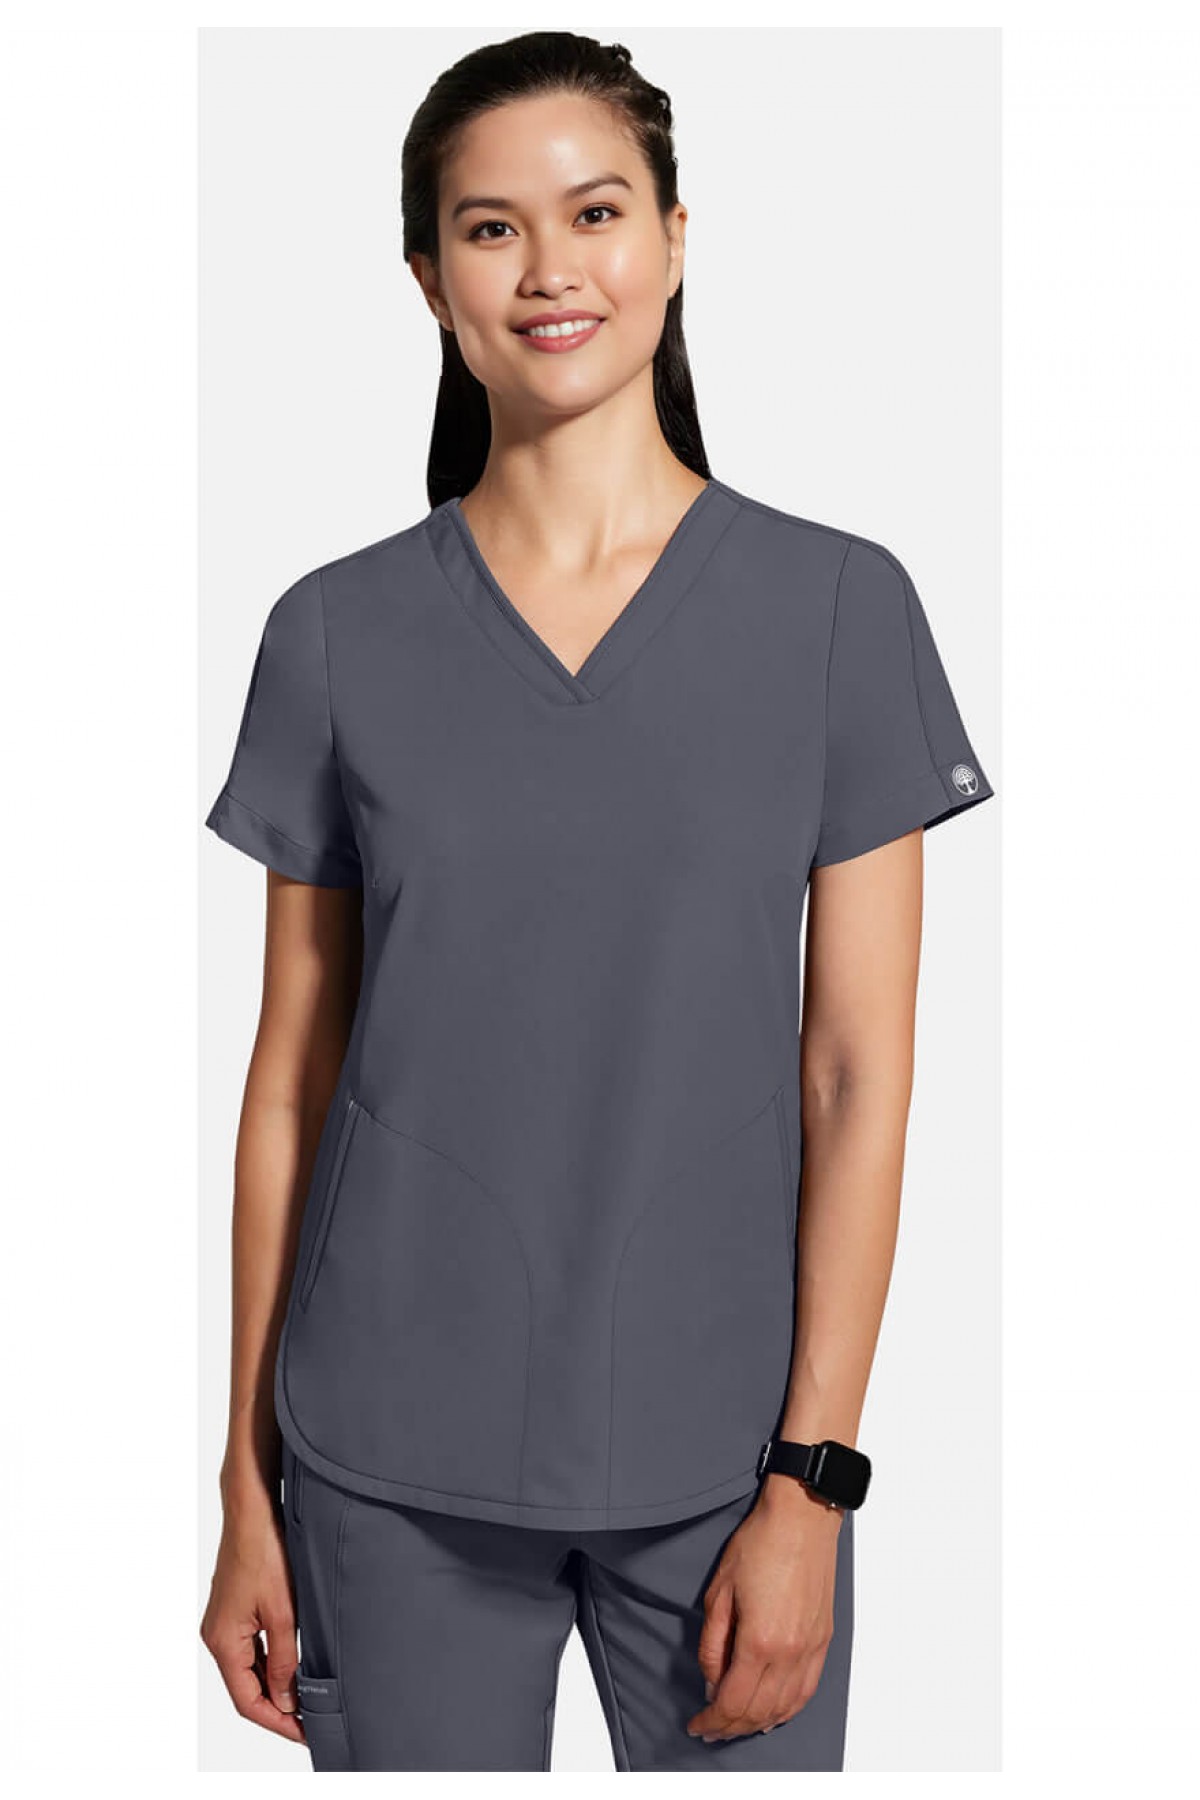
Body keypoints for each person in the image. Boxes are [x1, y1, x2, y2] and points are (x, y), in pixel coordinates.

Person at [199, 30, 995, 1774]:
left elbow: (858, 1074)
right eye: (491, 229)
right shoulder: (331, 635)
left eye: (597, 212)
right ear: (431, 281)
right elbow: (290, 1085)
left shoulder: (839, 610)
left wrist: (813, 1486)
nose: (551, 268)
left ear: (676, 239)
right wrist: (246, 1485)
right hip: (380, 1457)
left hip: (727, 1469)